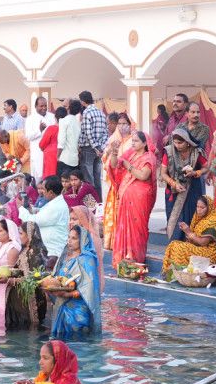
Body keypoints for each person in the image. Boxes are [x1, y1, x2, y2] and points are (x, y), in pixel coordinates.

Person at [44, 207, 102, 339]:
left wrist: (66, 293)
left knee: (77, 347)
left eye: (74, 238)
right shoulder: (65, 256)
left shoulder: (87, 260)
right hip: (61, 305)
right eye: (69, 237)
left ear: (82, 240)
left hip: (78, 311)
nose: (69, 241)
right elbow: (56, 278)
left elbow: (89, 291)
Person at [111, 130, 157, 270]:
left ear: (144, 143)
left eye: (136, 141)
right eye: (132, 140)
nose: (133, 143)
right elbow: (114, 165)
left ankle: (136, 259)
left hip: (140, 199)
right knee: (125, 227)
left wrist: (128, 166)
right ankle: (124, 259)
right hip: (127, 198)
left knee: (137, 229)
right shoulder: (130, 154)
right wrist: (114, 152)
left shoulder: (149, 157)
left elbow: (143, 176)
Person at [162, 197, 216, 273]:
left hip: (210, 254)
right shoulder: (198, 218)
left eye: (202, 207)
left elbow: (203, 242)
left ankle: (178, 272)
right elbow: (194, 240)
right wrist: (188, 233)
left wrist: (188, 232)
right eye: (197, 207)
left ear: (209, 208)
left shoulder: (213, 221)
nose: (199, 209)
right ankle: (173, 273)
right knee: (173, 244)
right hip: (200, 248)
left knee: (180, 248)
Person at [100, 112, 132, 249]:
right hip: (115, 184)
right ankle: (114, 243)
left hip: (128, 182)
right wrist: (109, 152)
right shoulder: (113, 138)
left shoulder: (133, 140)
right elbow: (105, 160)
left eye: (125, 123)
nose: (121, 126)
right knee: (114, 212)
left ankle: (125, 244)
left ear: (130, 125)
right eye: (119, 123)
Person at [19, 175, 70, 258]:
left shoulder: (56, 207)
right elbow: (42, 211)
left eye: (43, 189)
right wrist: (31, 209)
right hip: (51, 250)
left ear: (51, 192)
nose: (41, 191)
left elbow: (32, 221)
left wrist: (20, 208)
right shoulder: (55, 202)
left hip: (55, 253)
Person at [25, 96, 56, 181]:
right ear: (36, 107)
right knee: (38, 178)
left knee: (51, 178)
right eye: (41, 106)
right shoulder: (30, 119)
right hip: (38, 153)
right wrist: (39, 130)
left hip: (51, 154)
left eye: (45, 106)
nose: (44, 108)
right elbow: (28, 136)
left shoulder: (53, 117)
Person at [57, 99, 82, 178]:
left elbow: (61, 142)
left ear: (68, 108)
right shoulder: (78, 123)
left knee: (63, 185)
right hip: (75, 160)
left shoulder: (63, 121)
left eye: (64, 106)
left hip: (65, 158)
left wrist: (57, 157)